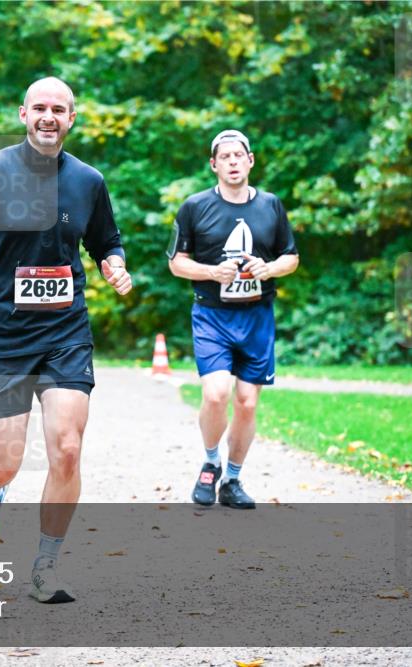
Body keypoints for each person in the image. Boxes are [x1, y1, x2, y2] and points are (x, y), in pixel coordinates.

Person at [0, 77, 132, 604]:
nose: (49, 116)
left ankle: (45, 565)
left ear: (71, 119)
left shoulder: (88, 180)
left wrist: (114, 264)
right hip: (2, 334)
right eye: (39, 107)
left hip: (65, 332)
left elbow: (107, 241)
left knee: (67, 447)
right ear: (23, 114)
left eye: (59, 109)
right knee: (4, 461)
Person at [167, 129, 299, 510]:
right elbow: (177, 263)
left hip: (257, 316)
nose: (233, 162)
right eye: (224, 157)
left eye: (238, 155)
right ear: (214, 165)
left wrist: (269, 268)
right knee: (216, 393)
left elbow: (291, 258)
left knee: (247, 403)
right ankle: (211, 462)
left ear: (250, 160)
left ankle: (233, 480)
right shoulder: (195, 207)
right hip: (213, 316)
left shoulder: (271, 205)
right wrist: (212, 272)